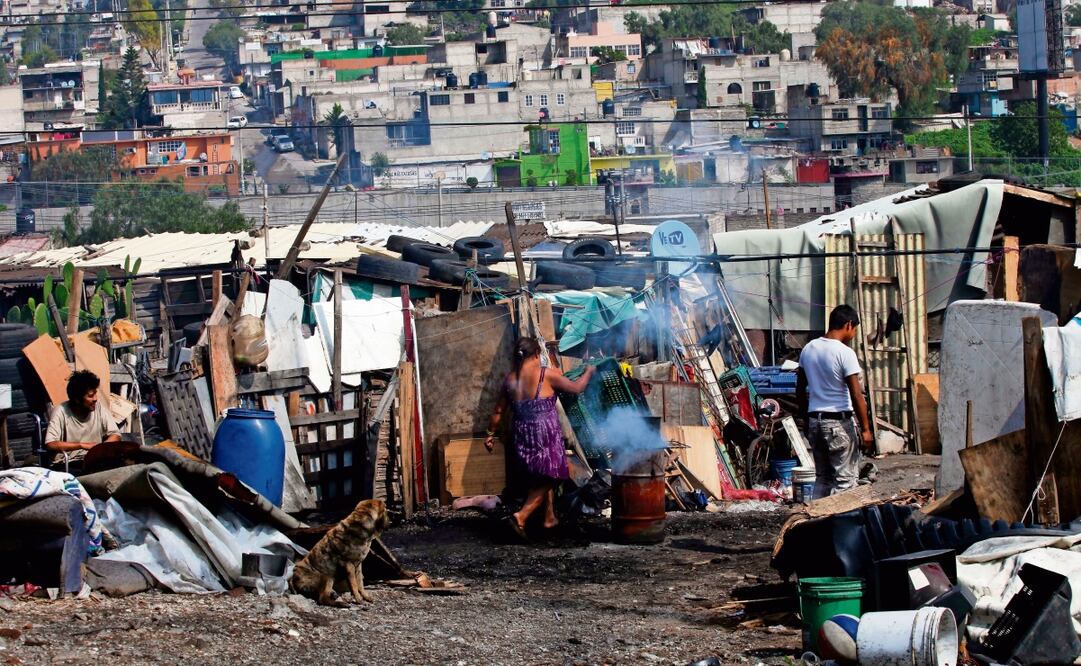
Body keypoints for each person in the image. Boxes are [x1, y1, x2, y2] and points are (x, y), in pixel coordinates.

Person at [487, 337, 595, 540]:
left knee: (539, 475)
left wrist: (490, 435)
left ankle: (549, 518)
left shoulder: (510, 379)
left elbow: (499, 411)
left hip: (521, 432)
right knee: (554, 474)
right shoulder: (546, 375)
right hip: (544, 433)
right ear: (537, 354)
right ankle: (520, 516)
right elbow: (577, 388)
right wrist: (589, 372)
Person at [796, 305, 873, 499]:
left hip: (815, 421)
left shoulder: (808, 349)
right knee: (845, 482)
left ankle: (814, 524)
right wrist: (866, 429)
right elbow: (857, 394)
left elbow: (799, 390)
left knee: (822, 478)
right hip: (838, 423)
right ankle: (840, 526)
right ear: (848, 325)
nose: (854, 334)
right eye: (855, 329)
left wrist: (806, 420)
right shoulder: (844, 352)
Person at [45, 370, 121, 468]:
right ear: (77, 399)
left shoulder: (98, 407)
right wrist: (81, 445)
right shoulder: (61, 411)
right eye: (90, 396)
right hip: (69, 463)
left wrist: (101, 448)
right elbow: (51, 444)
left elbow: (115, 434)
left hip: (94, 459)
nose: (95, 399)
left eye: (95, 393)